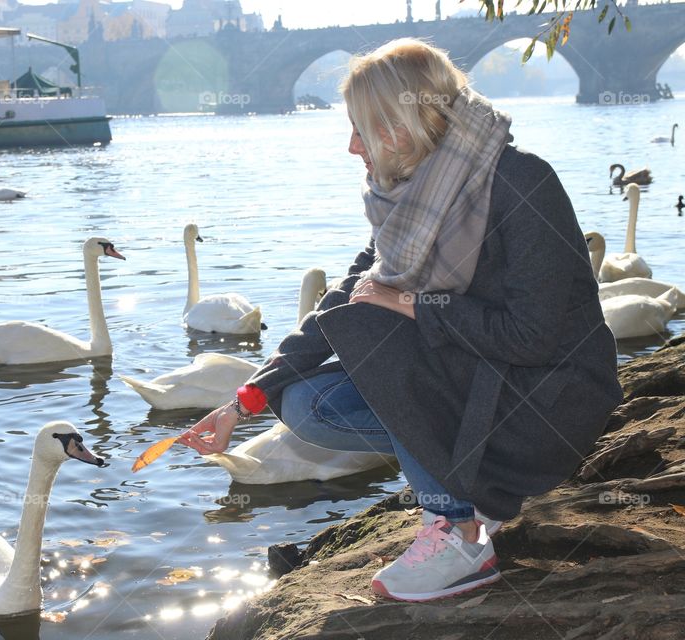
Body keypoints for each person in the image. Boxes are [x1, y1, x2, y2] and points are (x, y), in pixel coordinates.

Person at [179, 38, 623, 602]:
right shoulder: (413, 199)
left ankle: (461, 533)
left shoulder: (521, 181)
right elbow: (344, 297)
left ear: (398, 125)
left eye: (360, 129)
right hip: (475, 374)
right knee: (306, 401)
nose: (351, 147)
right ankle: (465, 495)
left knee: (384, 336)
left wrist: (414, 306)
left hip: (549, 394)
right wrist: (245, 400)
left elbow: (534, 336)